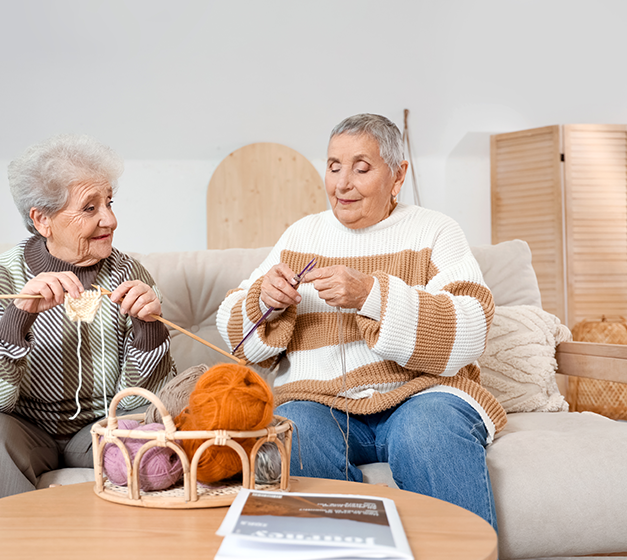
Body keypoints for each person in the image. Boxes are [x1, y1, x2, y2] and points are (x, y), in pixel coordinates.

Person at [216, 114, 506, 532]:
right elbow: (237, 336)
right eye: (334, 166)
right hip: (320, 401)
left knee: (426, 432)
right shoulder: (301, 236)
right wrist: (265, 300)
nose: (342, 183)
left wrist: (372, 296)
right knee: (293, 434)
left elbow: (471, 326)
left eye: (361, 168)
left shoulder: (436, 230)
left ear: (398, 175)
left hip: (421, 394)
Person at [0, 134, 176, 513]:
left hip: (97, 430)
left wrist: (149, 332)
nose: (111, 220)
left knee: (152, 445)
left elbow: (140, 409)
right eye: (89, 208)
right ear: (42, 219)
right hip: (17, 427)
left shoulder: (130, 274)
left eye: (109, 203)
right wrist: (17, 317)